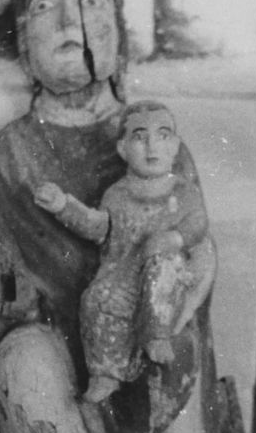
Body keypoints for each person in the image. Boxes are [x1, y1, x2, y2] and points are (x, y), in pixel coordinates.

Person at [0, 0, 256, 433]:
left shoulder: (157, 139)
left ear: (120, 35)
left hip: (145, 327)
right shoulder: (10, 153)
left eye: (93, 3)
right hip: (54, 334)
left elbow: (199, 243)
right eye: (46, 6)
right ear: (23, 39)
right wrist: (6, 298)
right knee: (22, 361)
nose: (71, 19)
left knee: (169, 365)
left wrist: (179, 296)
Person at [35, 100, 212, 403]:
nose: (152, 146)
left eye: (163, 136)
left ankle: (157, 334)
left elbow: (198, 225)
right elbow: (100, 228)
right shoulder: (117, 194)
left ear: (175, 146)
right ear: (122, 149)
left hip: (171, 273)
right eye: (140, 137)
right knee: (96, 299)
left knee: (162, 267)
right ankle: (106, 374)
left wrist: (175, 238)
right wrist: (64, 206)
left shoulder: (182, 192)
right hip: (126, 273)